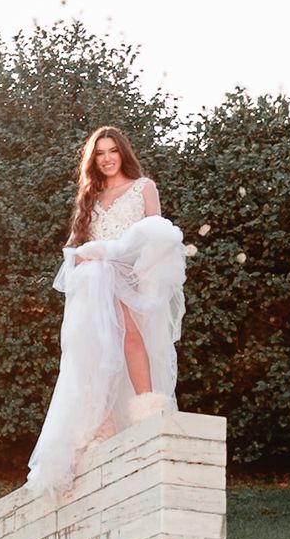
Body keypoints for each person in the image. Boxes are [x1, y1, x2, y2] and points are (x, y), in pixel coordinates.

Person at [25, 125, 187, 500]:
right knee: (97, 347)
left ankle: (148, 409)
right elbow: (77, 245)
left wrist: (123, 263)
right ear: (93, 159)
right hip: (97, 282)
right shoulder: (92, 196)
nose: (108, 158)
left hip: (129, 276)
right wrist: (86, 256)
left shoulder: (143, 187)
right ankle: (103, 420)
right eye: (100, 153)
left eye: (113, 150)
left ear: (123, 152)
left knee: (132, 337)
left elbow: (156, 235)